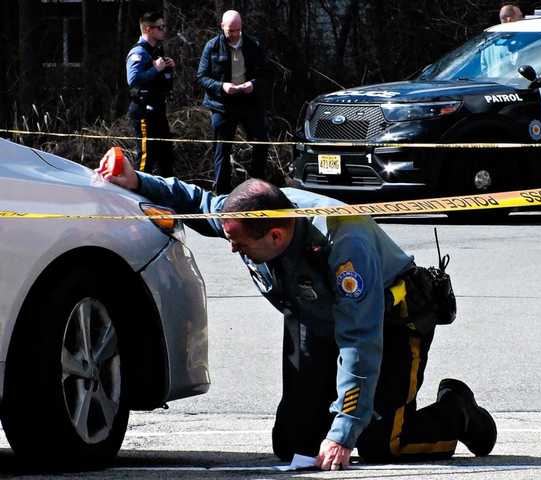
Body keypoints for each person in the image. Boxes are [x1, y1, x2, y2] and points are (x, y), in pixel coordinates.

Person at [96, 155, 497, 470]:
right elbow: (200, 203)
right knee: (293, 445)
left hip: (390, 324)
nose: (232, 249)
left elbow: (360, 340)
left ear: (275, 235)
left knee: (379, 444)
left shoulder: (344, 241)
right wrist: (136, 180)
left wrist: (342, 432)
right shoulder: (249, 217)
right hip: (313, 321)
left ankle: (458, 412)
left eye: (239, 244)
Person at [197, 10, 270, 194]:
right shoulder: (212, 47)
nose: (235, 34)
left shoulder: (253, 45)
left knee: (261, 141)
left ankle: (257, 189)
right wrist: (222, 86)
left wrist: (253, 85)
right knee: (222, 149)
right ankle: (221, 193)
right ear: (222, 27)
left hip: (249, 102)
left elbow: (266, 75)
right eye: (231, 31)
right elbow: (201, 77)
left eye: (238, 30)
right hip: (222, 104)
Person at [126, 11, 176, 176]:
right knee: (145, 159)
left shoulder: (156, 51)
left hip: (158, 111)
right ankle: (135, 197)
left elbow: (162, 82)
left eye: (164, 26)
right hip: (143, 113)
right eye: (159, 27)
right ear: (148, 29)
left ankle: (168, 196)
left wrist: (168, 69)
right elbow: (133, 80)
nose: (163, 30)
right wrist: (155, 69)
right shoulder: (138, 53)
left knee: (166, 157)